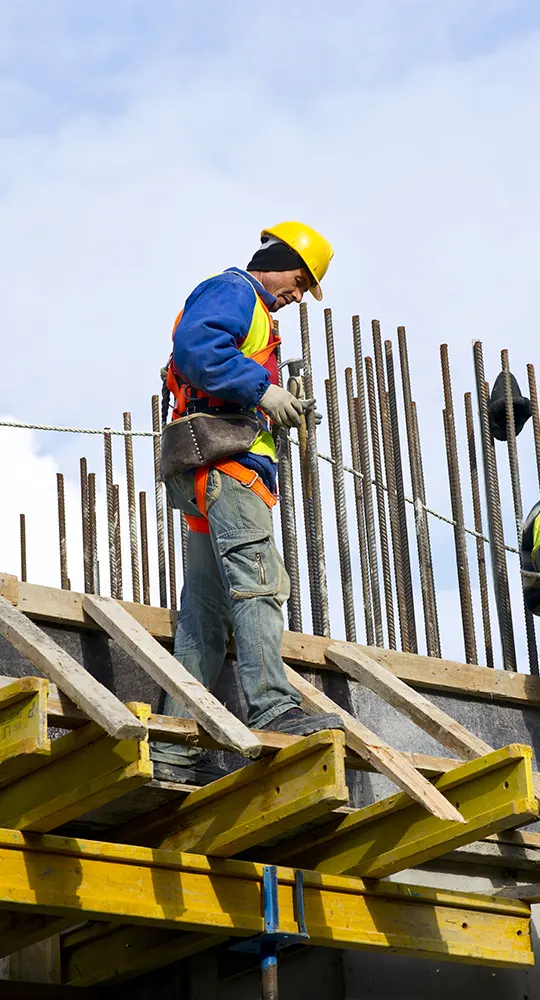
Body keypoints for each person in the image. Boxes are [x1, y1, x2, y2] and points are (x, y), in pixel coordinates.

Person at [152, 222, 344, 784]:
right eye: (301, 279)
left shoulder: (257, 312)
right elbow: (196, 349)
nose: (300, 294)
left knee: (205, 619)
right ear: (277, 259)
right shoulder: (236, 292)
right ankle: (273, 706)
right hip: (227, 469)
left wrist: (269, 397)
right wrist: (263, 391)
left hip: (211, 472)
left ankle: (174, 749)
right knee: (260, 584)